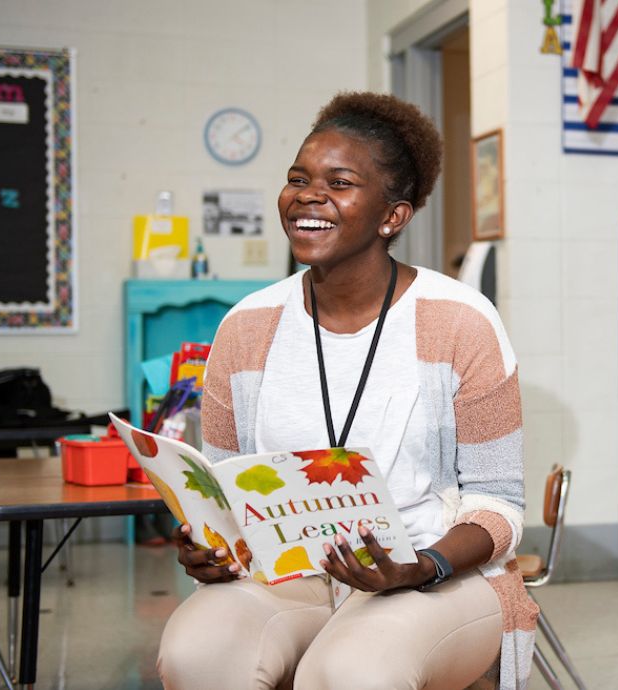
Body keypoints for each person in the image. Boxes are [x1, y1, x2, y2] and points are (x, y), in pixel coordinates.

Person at [157, 92, 538, 689]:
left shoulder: (461, 320)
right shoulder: (246, 326)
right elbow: (225, 487)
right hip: (292, 577)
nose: (309, 195)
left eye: (339, 182)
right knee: (196, 651)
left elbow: (501, 505)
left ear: (393, 216)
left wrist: (424, 565)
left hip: (429, 575)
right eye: (297, 178)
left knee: (351, 670)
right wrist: (212, 547)